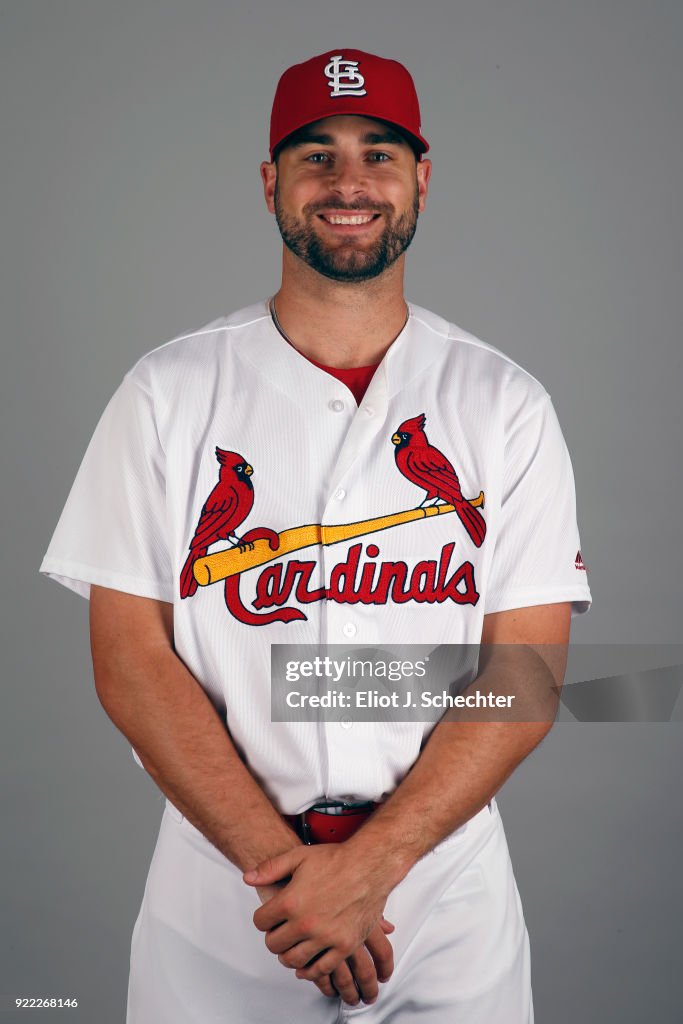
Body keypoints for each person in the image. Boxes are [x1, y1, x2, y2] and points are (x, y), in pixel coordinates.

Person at [40, 48, 592, 1023]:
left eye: (378, 154)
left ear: (420, 180)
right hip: (229, 897)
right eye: (315, 155)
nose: (349, 183)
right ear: (270, 184)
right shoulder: (168, 393)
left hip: (437, 891)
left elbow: (525, 672)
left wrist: (369, 868)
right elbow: (130, 662)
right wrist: (285, 874)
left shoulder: (502, 403)